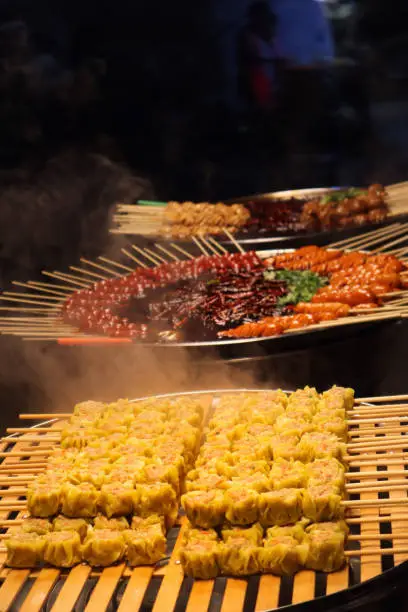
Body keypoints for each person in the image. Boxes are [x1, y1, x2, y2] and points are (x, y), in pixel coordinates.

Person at [237, 2, 280, 112]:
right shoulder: (247, 35)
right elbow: (250, 59)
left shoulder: (276, 33)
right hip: (257, 83)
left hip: (275, 82)